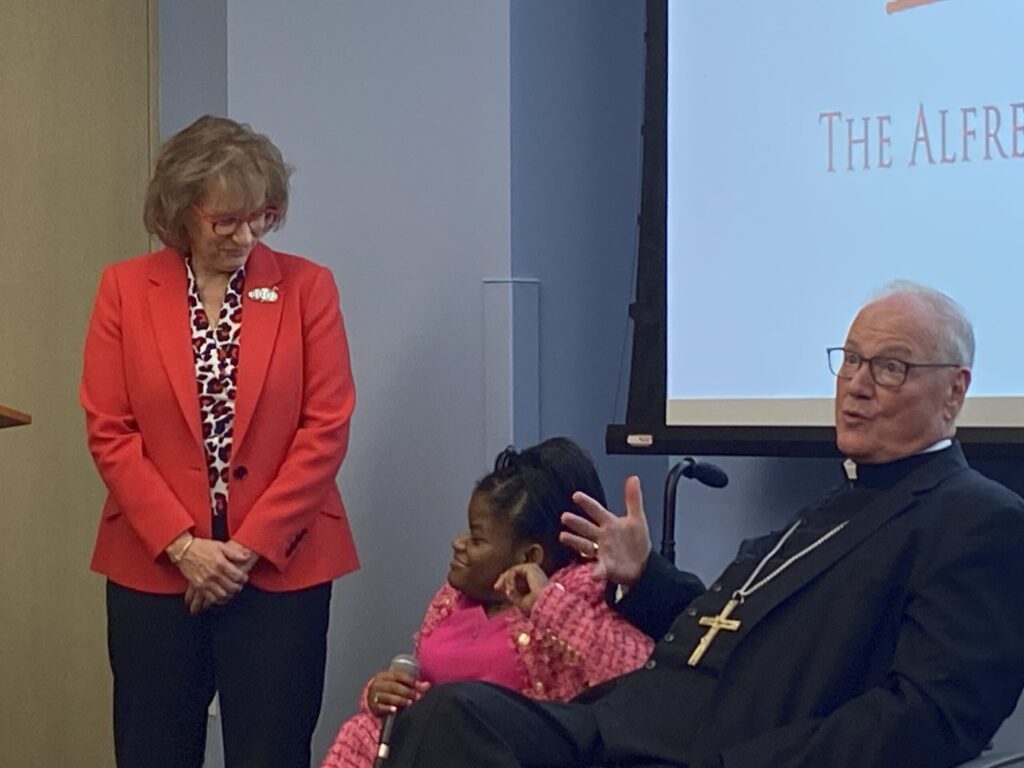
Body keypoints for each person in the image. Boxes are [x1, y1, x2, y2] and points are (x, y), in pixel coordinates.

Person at [385, 282, 1024, 768]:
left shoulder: (977, 520)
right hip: (628, 724)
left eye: (891, 367)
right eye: (851, 360)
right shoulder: (831, 508)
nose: (856, 385)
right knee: (442, 718)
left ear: (954, 391)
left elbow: (930, 718)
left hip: (708, 753)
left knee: (453, 724)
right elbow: (734, 633)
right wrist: (642, 577)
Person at [80, 115, 358, 768]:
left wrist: (243, 550)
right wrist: (183, 546)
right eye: (225, 221)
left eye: (260, 216)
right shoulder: (124, 289)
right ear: (181, 212)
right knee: (153, 750)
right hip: (155, 567)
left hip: (282, 564)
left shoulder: (307, 286)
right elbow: (110, 430)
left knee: (272, 751)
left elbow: (327, 425)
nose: (246, 234)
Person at [320, 437, 654, 768]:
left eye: (477, 539)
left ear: (529, 556)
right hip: (432, 751)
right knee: (359, 732)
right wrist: (381, 694)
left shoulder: (580, 593)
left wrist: (551, 608)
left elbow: (638, 677)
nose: (458, 543)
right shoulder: (451, 600)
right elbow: (424, 696)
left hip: (511, 756)